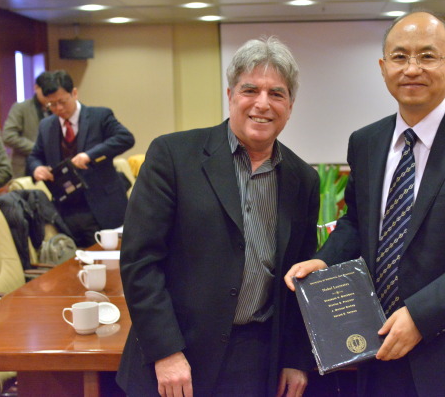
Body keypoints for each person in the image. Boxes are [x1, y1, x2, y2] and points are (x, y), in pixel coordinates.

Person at [286, 11, 445, 396]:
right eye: (399, 57)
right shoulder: (366, 142)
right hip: (379, 348)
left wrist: (421, 316)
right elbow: (357, 223)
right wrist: (326, 260)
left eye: (427, 56)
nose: (412, 68)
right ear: (383, 68)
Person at [117, 36, 319, 397]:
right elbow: (140, 262)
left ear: (290, 106)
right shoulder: (173, 156)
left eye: (276, 93)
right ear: (230, 95)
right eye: (250, 90)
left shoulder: (303, 179)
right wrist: (165, 352)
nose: (262, 103)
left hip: (256, 361)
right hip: (177, 357)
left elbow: (298, 280)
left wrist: (295, 357)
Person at [26, 70, 134, 247]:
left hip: (103, 204)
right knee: (76, 259)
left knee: (113, 255)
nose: (58, 108)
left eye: (62, 102)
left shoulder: (99, 116)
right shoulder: (47, 125)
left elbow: (125, 138)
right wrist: (37, 168)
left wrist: (89, 155)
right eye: (52, 104)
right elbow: (34, 156)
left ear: (74, 93)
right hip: (67, 208)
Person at [2, 71, 52, 177]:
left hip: (51, 165)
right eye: (45, 92)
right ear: (36, 88)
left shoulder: (56, 108)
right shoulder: (21, 108)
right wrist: (37, 148)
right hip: (25, 167)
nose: (48, 96)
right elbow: (8, 136)